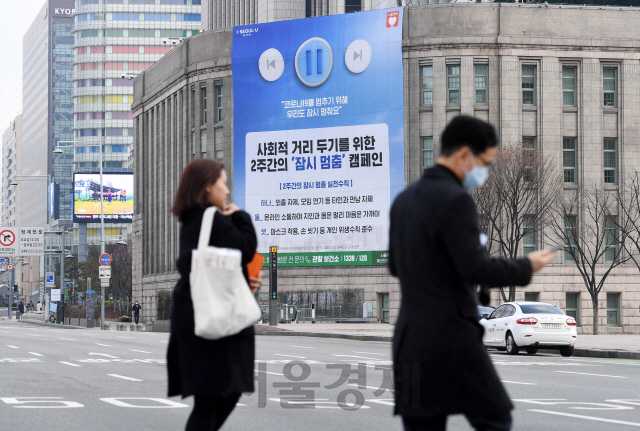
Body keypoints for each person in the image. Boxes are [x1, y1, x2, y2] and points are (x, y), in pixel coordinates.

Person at [388, 116, 556, 431]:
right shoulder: (455, 201)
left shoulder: (403, 202)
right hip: (452, 339)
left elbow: (395, 265)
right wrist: (526, 265)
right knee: (494, 417)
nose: (485, 173)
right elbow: (476, 268)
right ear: (464, 155)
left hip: (410, 342)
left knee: (423, 426)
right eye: (485, 164)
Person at [167, 159, 262, 431]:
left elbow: (214, 266)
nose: (228, 191)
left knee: (212, 398)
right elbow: (246, 248)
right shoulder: (214, 220)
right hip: (216, 326)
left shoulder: (193, 221)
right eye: (223, 183)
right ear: (208, 187)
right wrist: (240, 216)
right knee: (219, 396)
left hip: (196, 320)